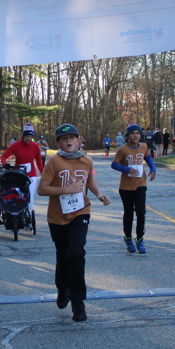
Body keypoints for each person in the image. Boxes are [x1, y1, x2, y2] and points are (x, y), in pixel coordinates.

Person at [37, 123, 111, 322]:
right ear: (57, 143)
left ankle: (78, 302)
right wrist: (66, 190)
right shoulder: (54, 162)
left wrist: (99, 194)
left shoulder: (86, 161)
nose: (68, 140)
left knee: (76, 254)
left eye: (72, 137)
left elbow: (89, 180)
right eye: (64, 138)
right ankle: (63, 289)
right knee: (63, 256)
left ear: (79, 140)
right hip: (57, 216)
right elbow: (42, 189)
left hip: (80, 212)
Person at [111, 123, 157, 254]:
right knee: (129, 213)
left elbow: (148, 157)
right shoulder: (122, 150)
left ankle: (140, 239)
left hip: (141, 184)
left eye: (137, 133)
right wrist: (127, 169)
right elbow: (114, 165)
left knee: (141, 212)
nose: (135, 136)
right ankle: (128, 238)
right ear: (127, 136)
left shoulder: (143, 146)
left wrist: (153, 169)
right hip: (126, 187)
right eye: (132, 133)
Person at [1, 124, 45, 207]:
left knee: (29, 197)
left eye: (30, 137)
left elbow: (39, 162)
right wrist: (5, 164)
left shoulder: (35, 146)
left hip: (31, 175)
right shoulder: (16, 145)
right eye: (27, 136)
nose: (28, 139)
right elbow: (3, 156)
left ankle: (30, 213)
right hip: (18, 175)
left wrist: (43, 175)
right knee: (19, 197)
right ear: (23, 136)